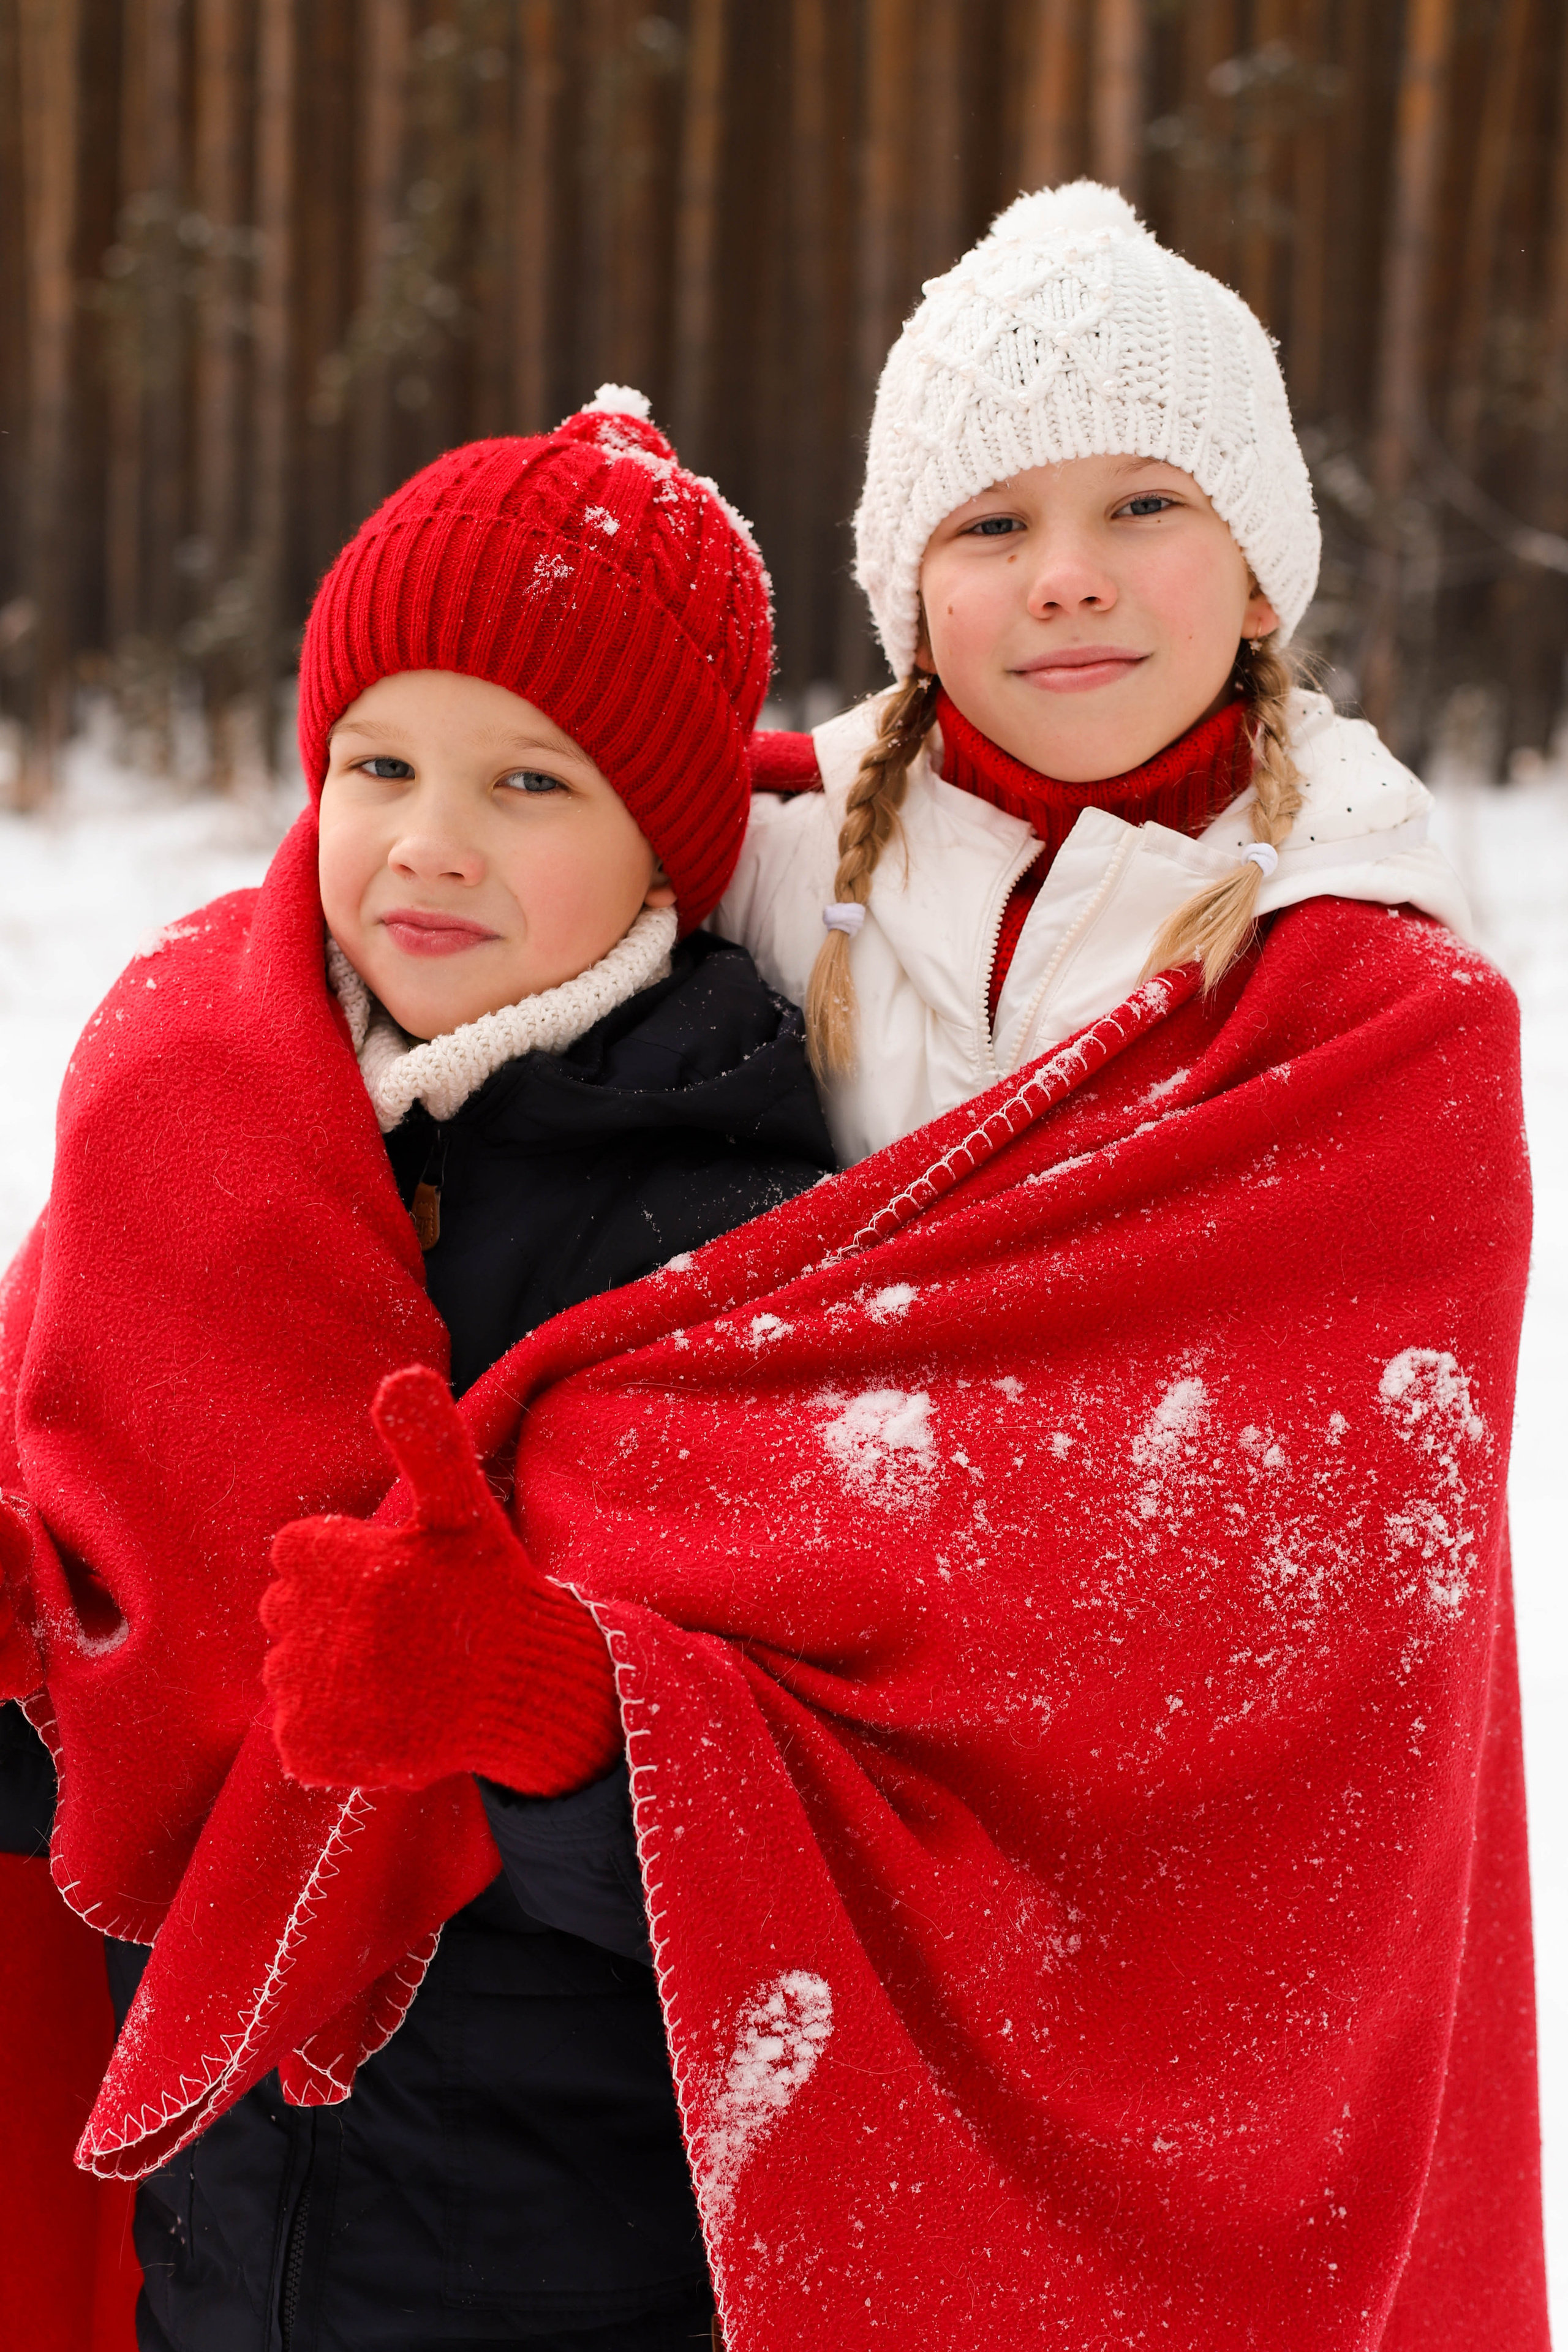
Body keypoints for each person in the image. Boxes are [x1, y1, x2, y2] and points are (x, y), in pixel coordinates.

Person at [0, 393, 834, 2350]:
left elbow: (807, 1871)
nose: (430, 845)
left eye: (532, 784)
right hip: (201, 2230)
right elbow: (105, 1731)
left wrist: (540, 1715)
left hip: (558, 2247)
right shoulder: (176, 1100)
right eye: (379, 762)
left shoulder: (730, 1212)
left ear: (666, 843)